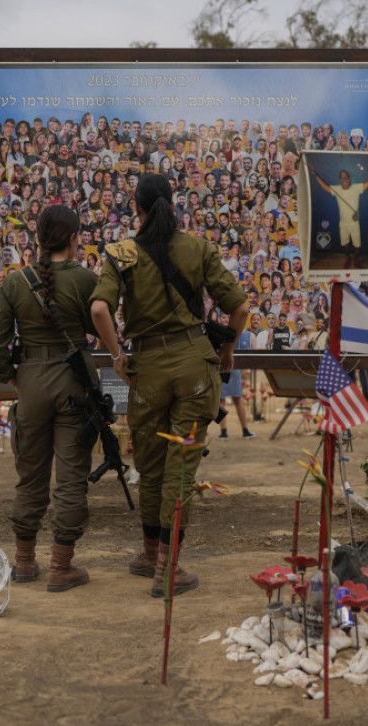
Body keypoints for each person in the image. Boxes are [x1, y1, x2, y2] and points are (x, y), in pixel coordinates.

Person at [90, 173, 249, 598]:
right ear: (172, 203)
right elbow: (240, 306)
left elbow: (101, 308)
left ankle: (148, 555)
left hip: (147, 369)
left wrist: (117, 355)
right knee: (181, 467)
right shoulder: (197, 248)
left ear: (136, 208)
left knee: (151, 465)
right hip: (195, 365)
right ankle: (167, 568)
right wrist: (228, 351)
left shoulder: (121, 252)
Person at [0, 205, 98, 592]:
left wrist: (10, 377)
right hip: (75, 383)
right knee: (71, 479)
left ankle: (24, 563)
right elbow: (100, 321)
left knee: (29, 475)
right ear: (73, 238)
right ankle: (61, 566)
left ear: (37, 240)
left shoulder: (16, 282)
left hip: (30, 380)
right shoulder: (86, 279)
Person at [308, 163, 368, 269]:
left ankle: (356, 259)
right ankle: (347, 257)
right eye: (342, 178)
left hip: (354, 223)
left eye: (346, 177)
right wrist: (315, 175)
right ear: (340, 180)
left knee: (357, 245)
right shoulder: (337, 189)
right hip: (343, 224)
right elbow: (325, 186)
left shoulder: (356, 188)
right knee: (345, 243)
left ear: (349, 179)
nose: (345, 179)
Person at [217, 315, 254, 440]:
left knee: (238, 399)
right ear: (220, 319)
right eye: (223, 317)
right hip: (220, 368)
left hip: (233, 368)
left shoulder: (235, 331)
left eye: (228, 317)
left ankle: (245, 430)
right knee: (221, 401)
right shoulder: (216, 331)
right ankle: (223, 431)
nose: (226, 319)